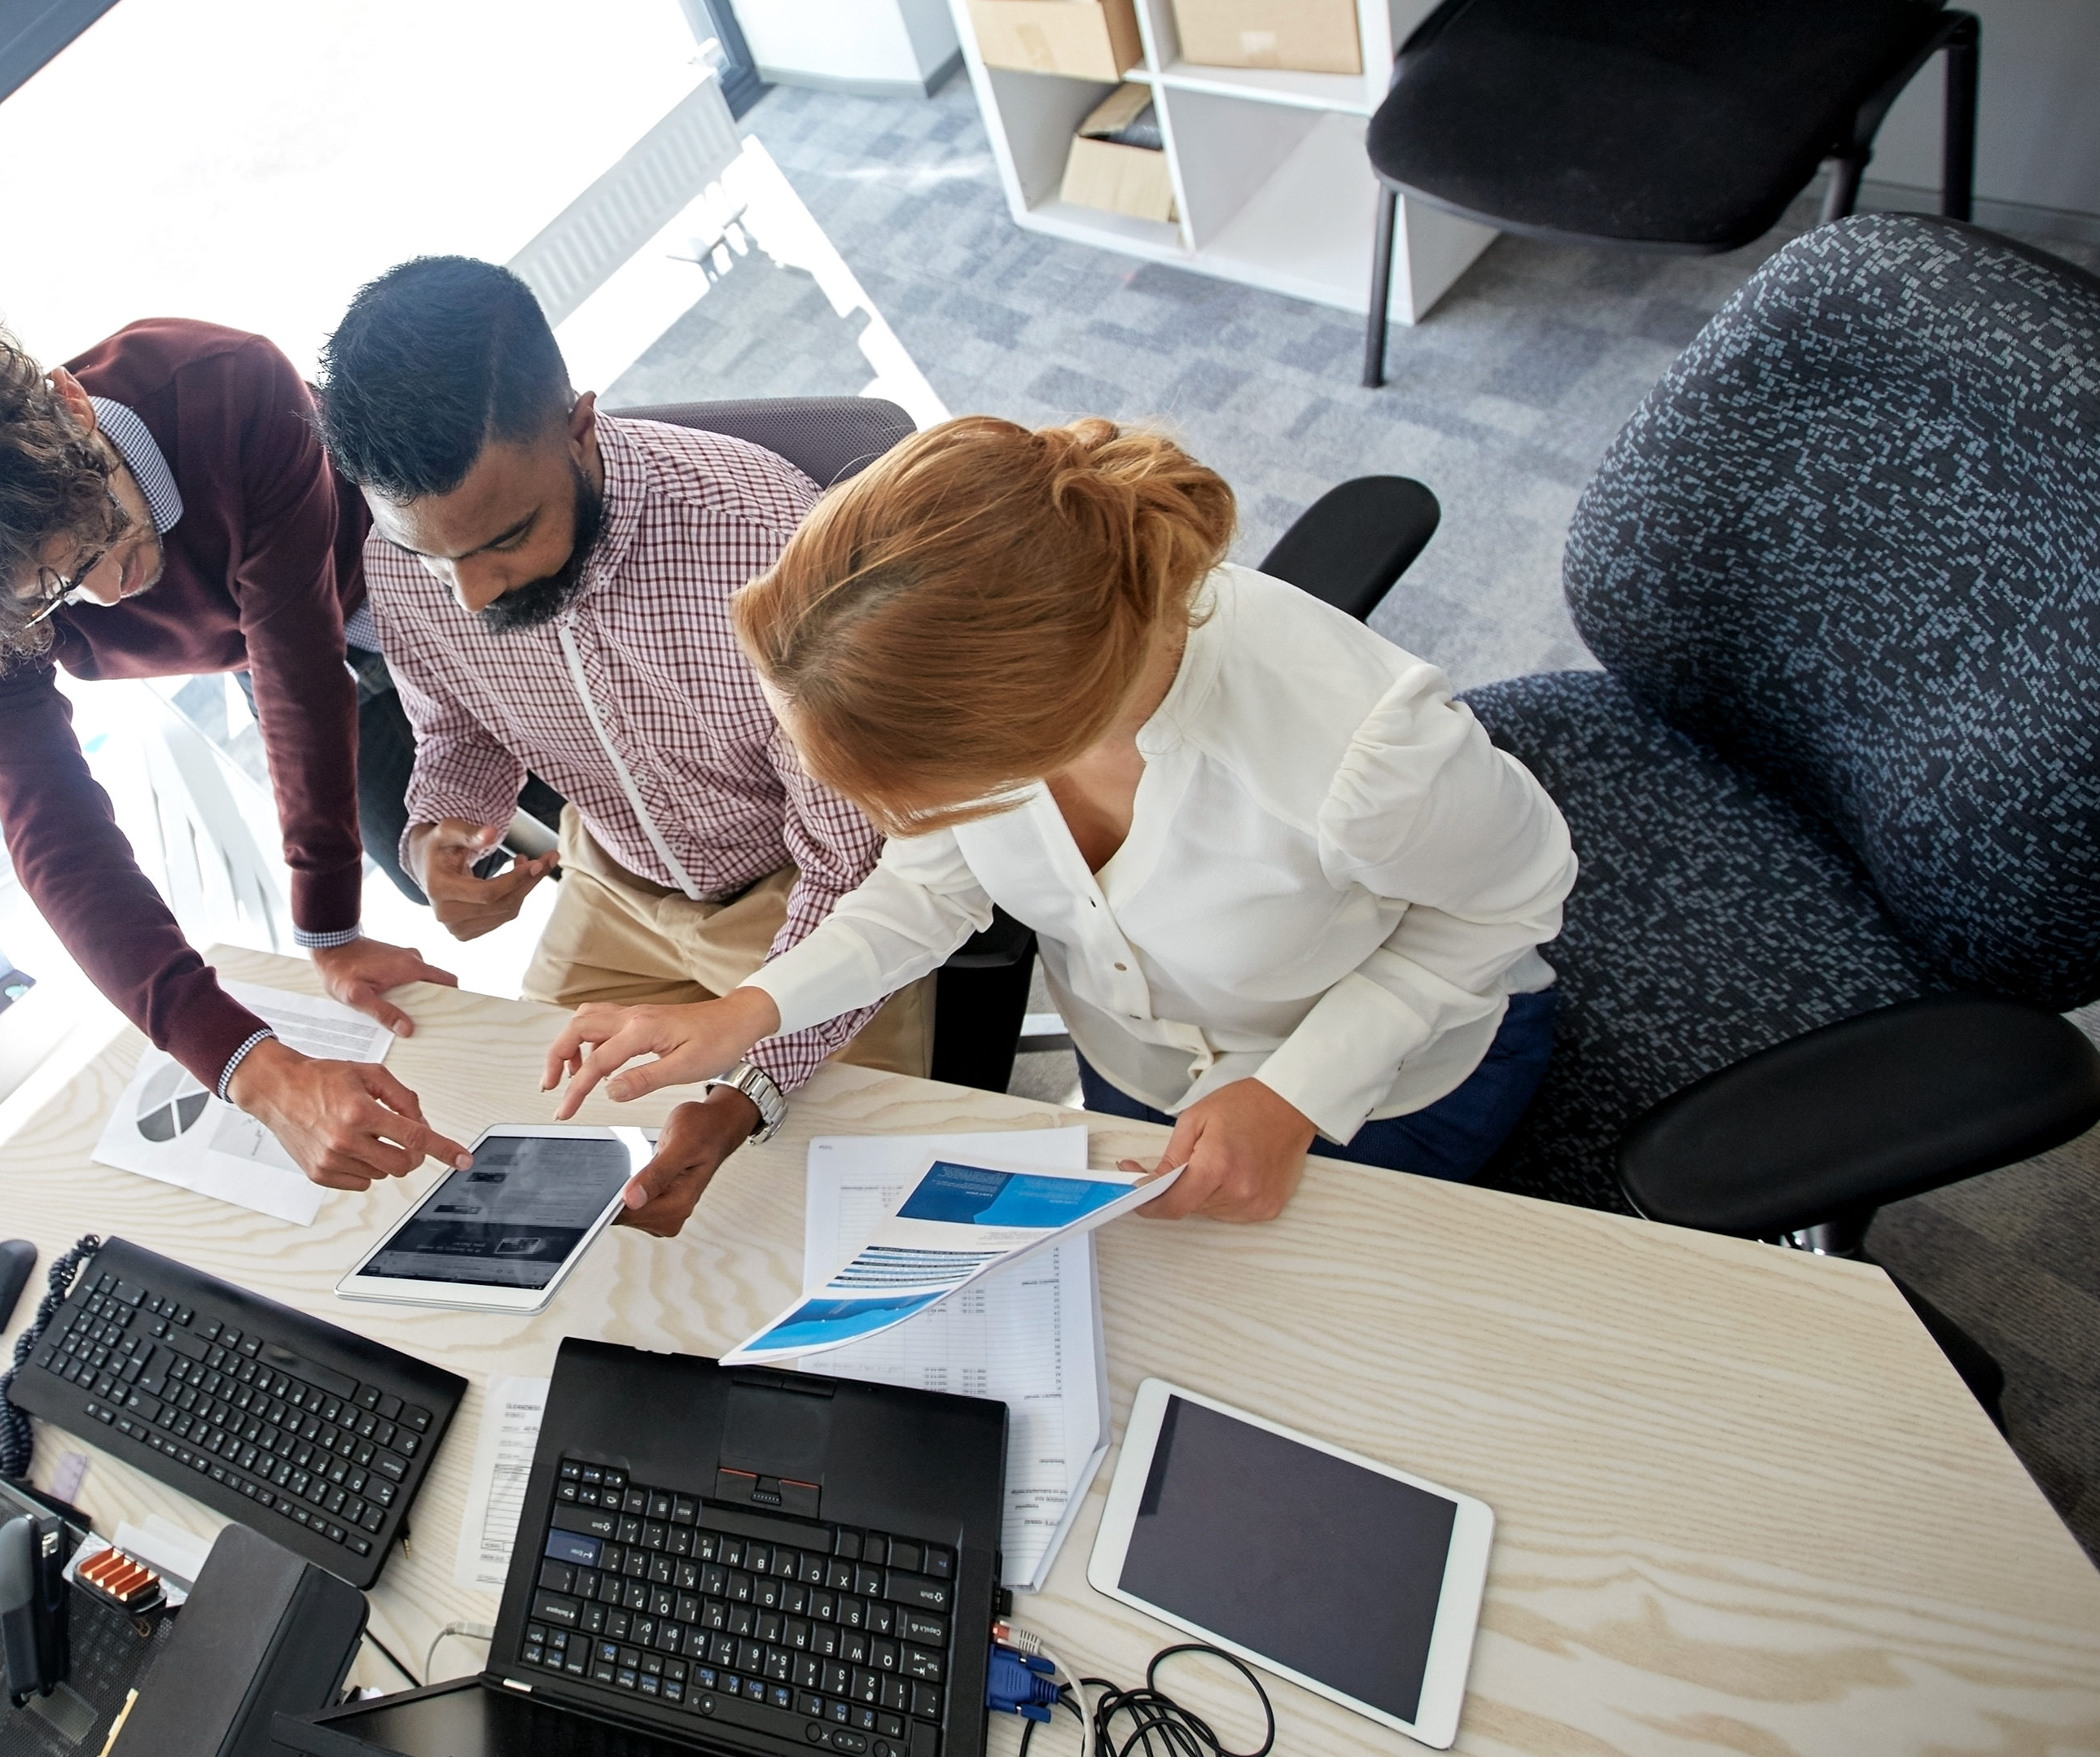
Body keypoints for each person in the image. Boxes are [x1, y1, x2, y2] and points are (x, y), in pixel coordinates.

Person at [539, 416, 1578, 1223]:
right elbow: (930, 886)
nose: (905, 819)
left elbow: (1515, 903)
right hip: (1139, 1065)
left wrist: (1296, 1094)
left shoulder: (1365, 753)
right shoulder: (992, 676)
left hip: (1396, 1080)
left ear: (1042, 730)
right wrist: (747, 1012)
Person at [311, 256, 930, 1238]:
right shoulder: (401, 555)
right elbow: (456, 726)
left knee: (812, 1222)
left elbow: (856, 869)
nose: (470, 594)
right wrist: (437, 830)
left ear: (578, 426)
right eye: (438, 556)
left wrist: (746, 1094)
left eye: (504, 538)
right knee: (515, 1186)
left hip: (806, 888)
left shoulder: (766, 544)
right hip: (611, 885)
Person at [0, 295, 466, 1191]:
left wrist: (327, 927)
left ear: (72, 407)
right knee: (433, 870)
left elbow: (294, 667)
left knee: (579, 777)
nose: (110, 590)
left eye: (102, 532)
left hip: (399, 560)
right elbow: (53, 834)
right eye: (57, 592)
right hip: (274, 647)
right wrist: (250, 1069)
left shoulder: (225, 389)